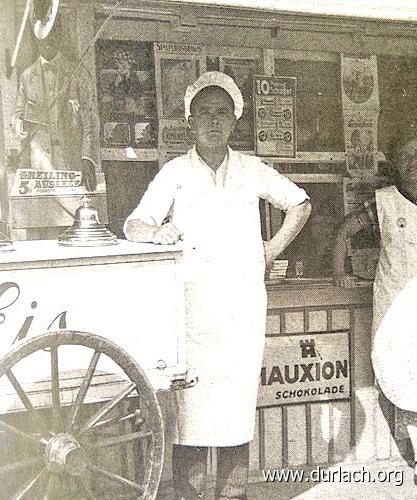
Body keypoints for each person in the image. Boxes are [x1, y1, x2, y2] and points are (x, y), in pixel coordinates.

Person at [124, 71, 311, 500]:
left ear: (234, 122)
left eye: (221, 113)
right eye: (203, 113)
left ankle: (233, 496)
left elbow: (300, 203)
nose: (212, 121)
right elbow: (134, 223)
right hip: (190, 316)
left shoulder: (250, 169)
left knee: (233, 415)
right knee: (189, 420)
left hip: (240, 313)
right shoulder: (174, 172)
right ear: (189, 121)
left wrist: (269, 251)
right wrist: (155, 233)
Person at [333, 129, 417, 489]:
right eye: (406, 155)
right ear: (394, 162)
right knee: (408, 376)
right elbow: (344, 232)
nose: (414, 161)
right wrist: (339, 272)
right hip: (398, 304)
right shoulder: (383, 202)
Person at [12, 14, 98, 188]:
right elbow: (18, 113)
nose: (47, 42)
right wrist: (18, 123)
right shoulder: (27, 77)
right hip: (40, 167)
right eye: (42, 38)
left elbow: (90, 119)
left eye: (52, 35)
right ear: (36, 40)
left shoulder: (79, 73)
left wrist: (87, 157)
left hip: (73, 164)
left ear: (58, 36)